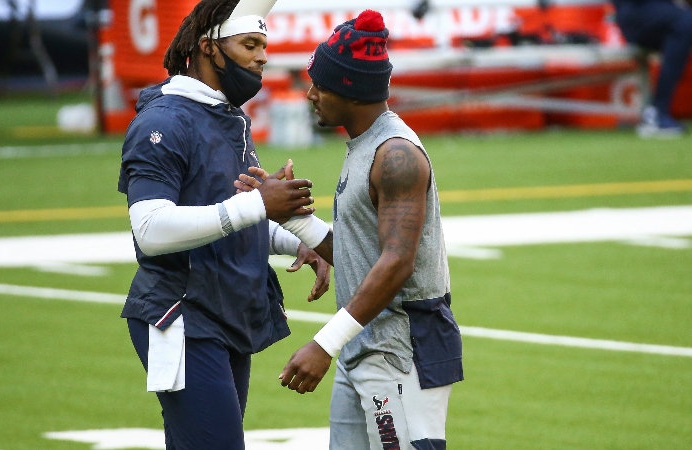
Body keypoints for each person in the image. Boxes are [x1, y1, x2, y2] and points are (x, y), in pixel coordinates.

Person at [237, 10, 463, 450]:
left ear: (350, 90)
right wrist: (292, 217)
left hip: (403, 351)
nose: (310, 94)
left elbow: (397, 264)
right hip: (365, 343)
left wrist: (324, 343)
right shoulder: (365, 146)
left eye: (319, 85)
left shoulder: (396, 154)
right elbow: (363, 253)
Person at [116, 0, 330, 448]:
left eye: (263, 45)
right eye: (249, 44)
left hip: (225, 307)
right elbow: (151, 230)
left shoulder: (227, 115)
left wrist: (296, 245)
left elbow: (222, 221)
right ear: (208, 48)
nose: (262, 56)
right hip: (181, 312)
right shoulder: (163, 120)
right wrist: (259, 206)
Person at [611, 0, 692, 138]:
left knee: (685, 22)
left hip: (666, 12)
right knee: (686, 22)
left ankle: (657, 112)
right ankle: (657, 113)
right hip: (636, 12)